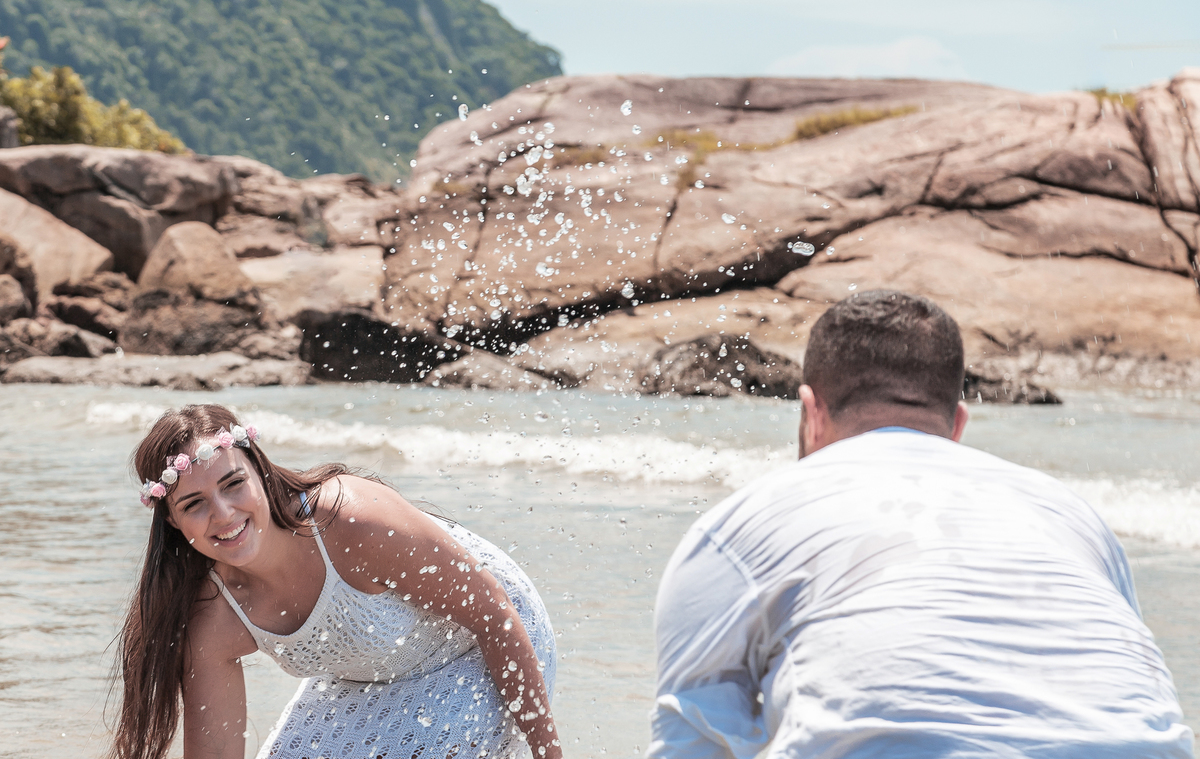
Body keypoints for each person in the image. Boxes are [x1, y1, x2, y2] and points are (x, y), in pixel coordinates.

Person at [649, 290, 1193, 758]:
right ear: (957, 424)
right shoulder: (1071, 515)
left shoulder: (744, 523)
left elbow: (690, 743)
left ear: (811, 412)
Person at [109, 404, 560, 759]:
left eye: (233, 483)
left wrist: (548, 754)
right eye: (194, 504)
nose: (224, 514)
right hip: (371, 675)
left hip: (484, 640)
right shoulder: (213, 618)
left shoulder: (350, 522)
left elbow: (495, 615)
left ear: (259, 471)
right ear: (173, 522)